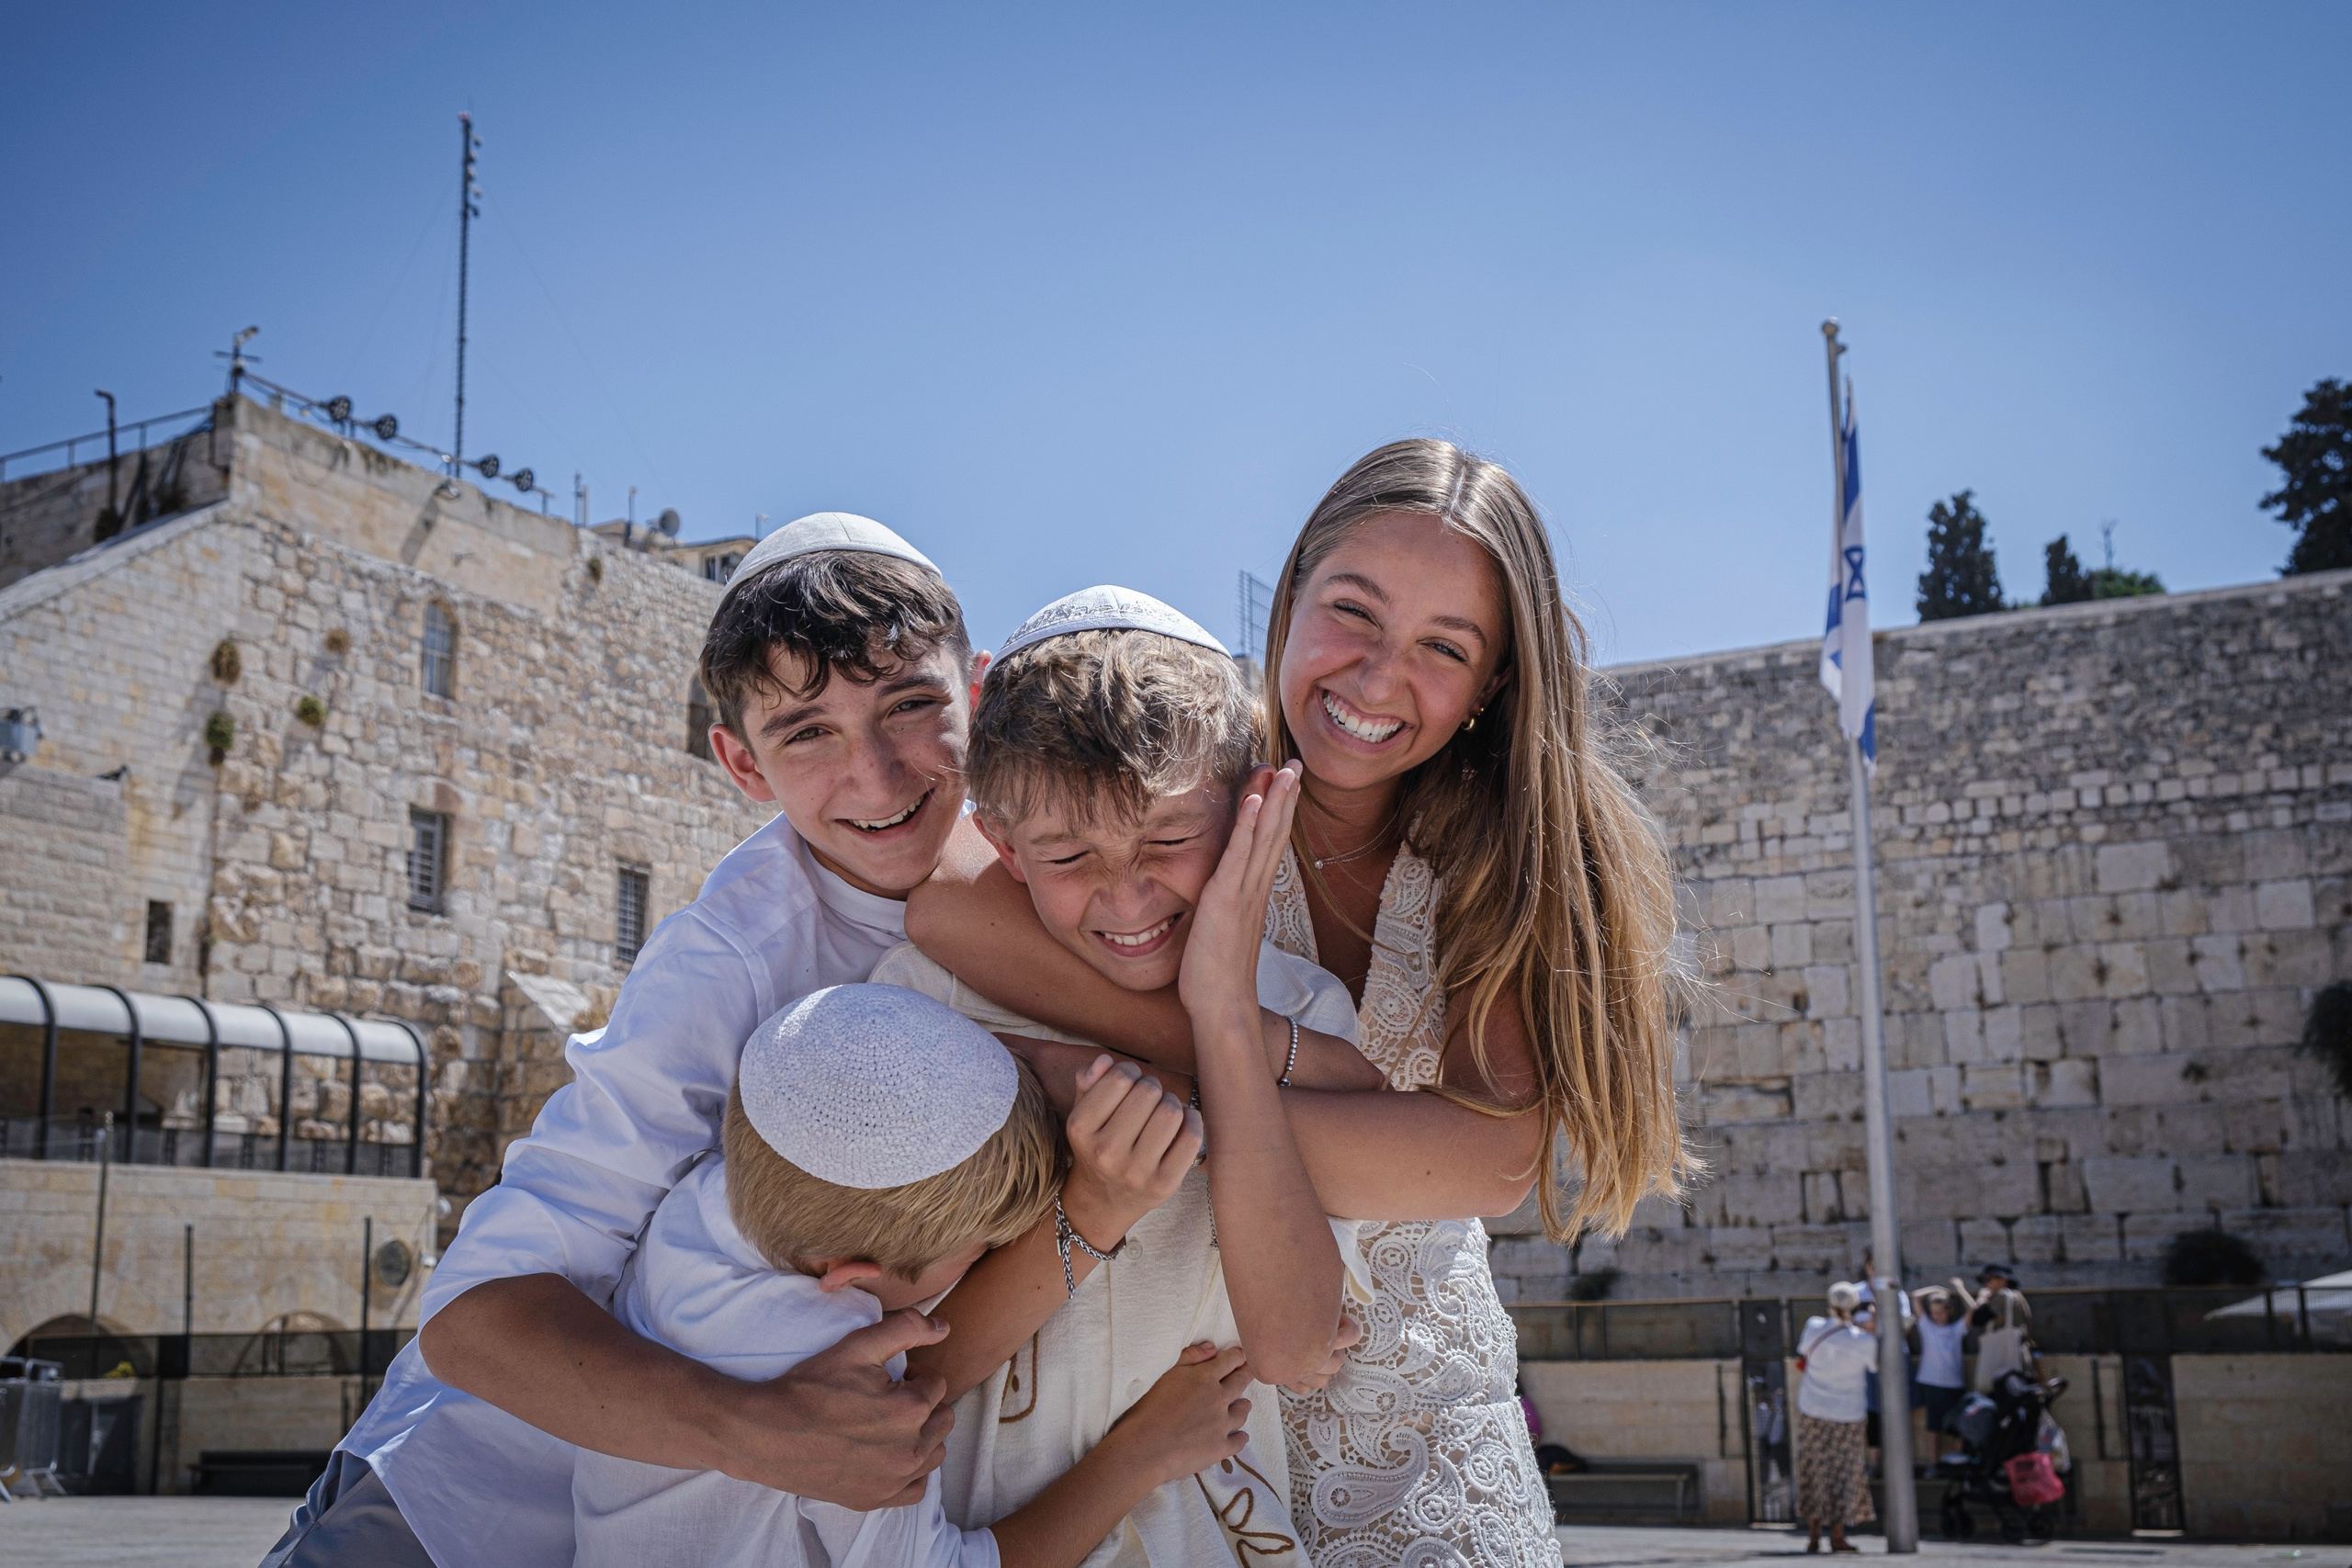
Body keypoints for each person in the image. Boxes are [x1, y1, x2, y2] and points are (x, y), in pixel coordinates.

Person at [908, 440, 1690, 1567]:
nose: (1376, 679)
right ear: (1289, 598)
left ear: (1492, 685)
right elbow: (946, 902)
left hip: (1422, 1442)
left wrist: (1183, 1067)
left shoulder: (1498, 864)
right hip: (1193, 1436)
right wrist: (1283, 1080)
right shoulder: (1183, 784)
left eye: (1442, 648)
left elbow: (1485, 1163)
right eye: (1353, 614)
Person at [267, 515, 992, 1567]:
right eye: (807, 733)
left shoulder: (1041, 878)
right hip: (444, 1517)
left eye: (910, 706)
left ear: (975, 690)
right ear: (741, 766)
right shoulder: (730, 959)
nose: (875, 776)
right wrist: (763, 1436)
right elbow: (478, 1316)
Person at [876, 587, 1365, 1563]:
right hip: (985, 1518)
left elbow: (1296, 1350)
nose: (1127, 894)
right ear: (1004, 844)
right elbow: (903, 1367)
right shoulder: (922, 999)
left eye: (1170, 839)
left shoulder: (1302, 1014)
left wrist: (1223, 1012)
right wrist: (1093, 1203)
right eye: (1067, 853)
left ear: (1247, 805)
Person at [573, 983, 1248, 1568]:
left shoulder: (709, 1197)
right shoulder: (840, 1377)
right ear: (850, 1276)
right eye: (981, 1249)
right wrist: (1145, 1453)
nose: (992, 1258)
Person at [1795, 1282, 1878, 1554]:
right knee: (1843, 1473)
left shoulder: (1814, 1326)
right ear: (1855, 1306)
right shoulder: (1863, 1341)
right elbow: (1875, 1366)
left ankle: (1814, 1535)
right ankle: (1838, 1536)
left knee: (1814, 1469)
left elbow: (1804, 1350)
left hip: (1812, 1408)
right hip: (1847, 1413)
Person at [1951, 1264, 2033, 1391]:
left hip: (2005, 1359)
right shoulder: (2017, 1297)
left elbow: (1977, 1318)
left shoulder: (2002, 1297)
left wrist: (1981, 1299)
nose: (1986, 1284)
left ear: (2003, 1280)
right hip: (2018, 1355)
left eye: (1989, 1279)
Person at [1912, 1288, 1969, 1460]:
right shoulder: (1927, 1327)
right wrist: (1936, 1288)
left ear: (1949, 1311)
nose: (1936, 1316)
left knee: (1957, 1428)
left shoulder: (1957, 1328)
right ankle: (1933, 1465)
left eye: (1940, 1312)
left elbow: (1973, 1308)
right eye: (1933, 1313)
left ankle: (1958, 1462)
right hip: (1932, 1384)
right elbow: (1915, 1296)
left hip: (1954, 1384)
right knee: (1933, 1427)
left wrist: (1959, 1289)